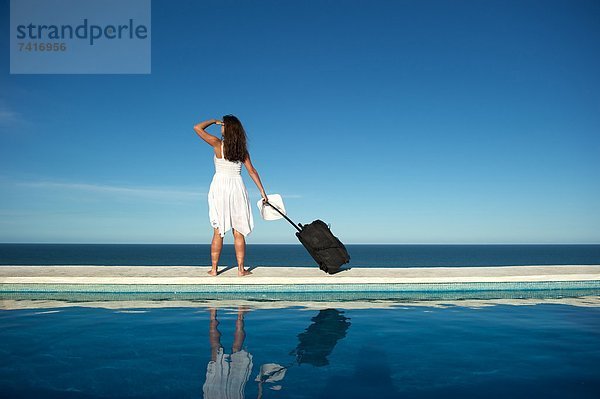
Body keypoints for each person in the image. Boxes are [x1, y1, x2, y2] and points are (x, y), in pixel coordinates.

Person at [193, 115, 268, 277]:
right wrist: (262, 191)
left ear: (227, 128)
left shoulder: (217, 144)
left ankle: (214, 269)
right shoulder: (242, 151)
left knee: (218, 230)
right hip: (237, 187)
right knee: (238, 231)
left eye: (223, 124)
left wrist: (213, 121)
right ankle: (241, 270)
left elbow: (197, 128)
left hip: (220, 186)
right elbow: (252, 171)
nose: (221, 126)